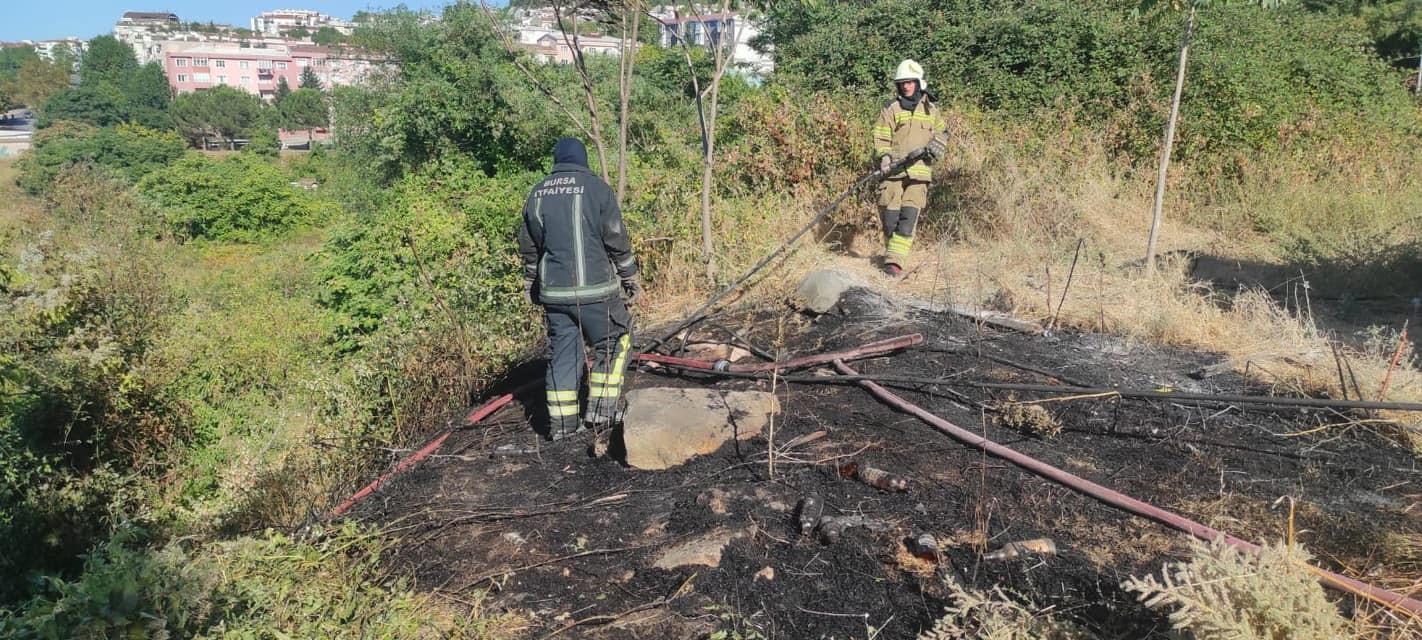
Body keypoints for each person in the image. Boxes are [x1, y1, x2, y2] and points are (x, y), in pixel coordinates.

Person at [517, 138, 643, 441]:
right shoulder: (597, 188)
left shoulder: (538, 193)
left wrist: (530, 283)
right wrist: (630, 276)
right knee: (616, 342)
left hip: (555, 295)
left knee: (564, 353)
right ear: (583, 159)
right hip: (597, 291)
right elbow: (615, 237)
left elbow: (529, 246)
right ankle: (602, 412)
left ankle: (562, 425)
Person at [872, 59, 949, 277]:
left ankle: (894, 265)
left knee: (907, 219)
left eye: (909, 82)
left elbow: (943, 133)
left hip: (920, 173)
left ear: (918, 83)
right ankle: (892, 254)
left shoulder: (931, 110)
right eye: (902, 83)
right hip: (893, 173)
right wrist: (885, 157)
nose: (905, 86)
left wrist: (938, 146)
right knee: (890, 220)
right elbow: (881, 135)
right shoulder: (890, 109)